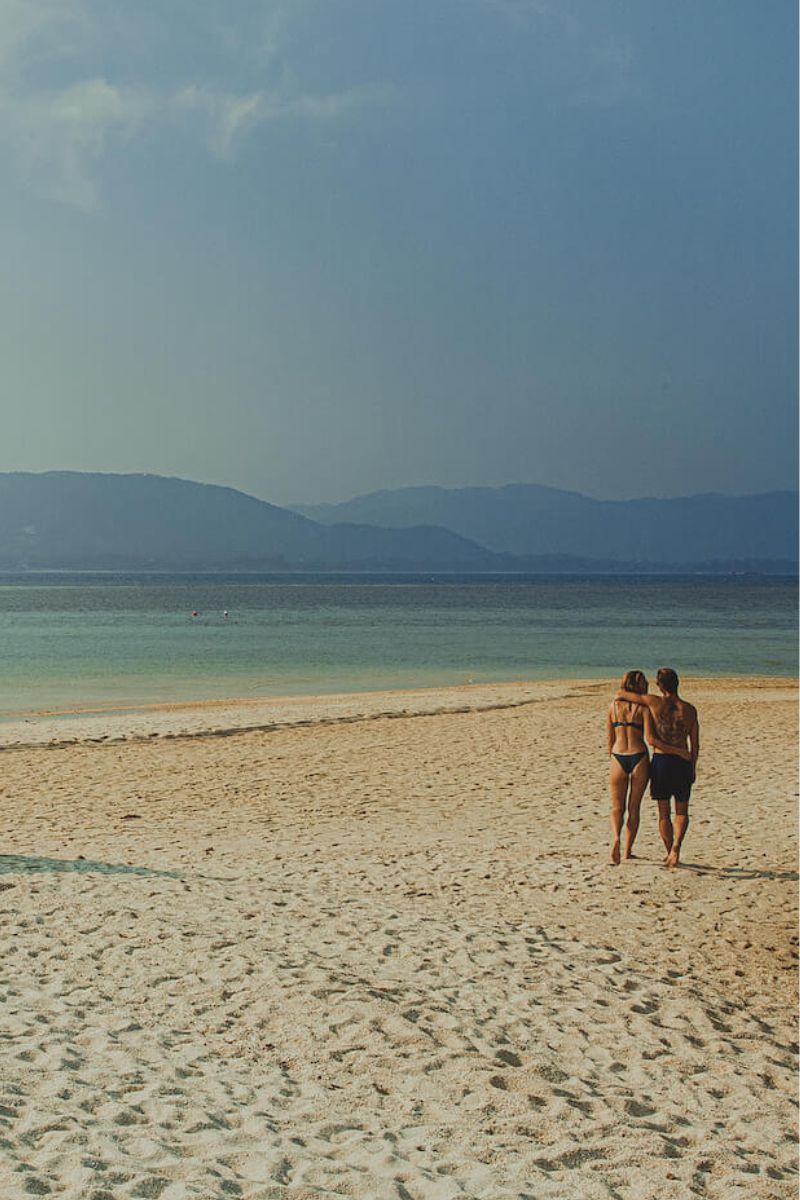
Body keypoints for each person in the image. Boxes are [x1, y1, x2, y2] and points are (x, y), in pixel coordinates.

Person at [616, 667, 700, 868]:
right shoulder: (690, 710)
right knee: (682, 811)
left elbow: (619, 693)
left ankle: (669, 850)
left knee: (664, 812)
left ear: (660, 685)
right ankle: (677, 846)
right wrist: (692, 765)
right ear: (678, 683)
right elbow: (695, 744)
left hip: (661, 762)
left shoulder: (654, 702)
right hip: (682, 763)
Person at [606, 669, 650, 865]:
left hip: (618, 755)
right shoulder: (643, 709)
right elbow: (649, 736)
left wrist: (612, 757)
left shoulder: (612, 707)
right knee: (634, 807)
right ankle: (627, 850)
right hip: (638, 754)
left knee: (617, 806)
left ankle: (615, 837)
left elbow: (610, 738)